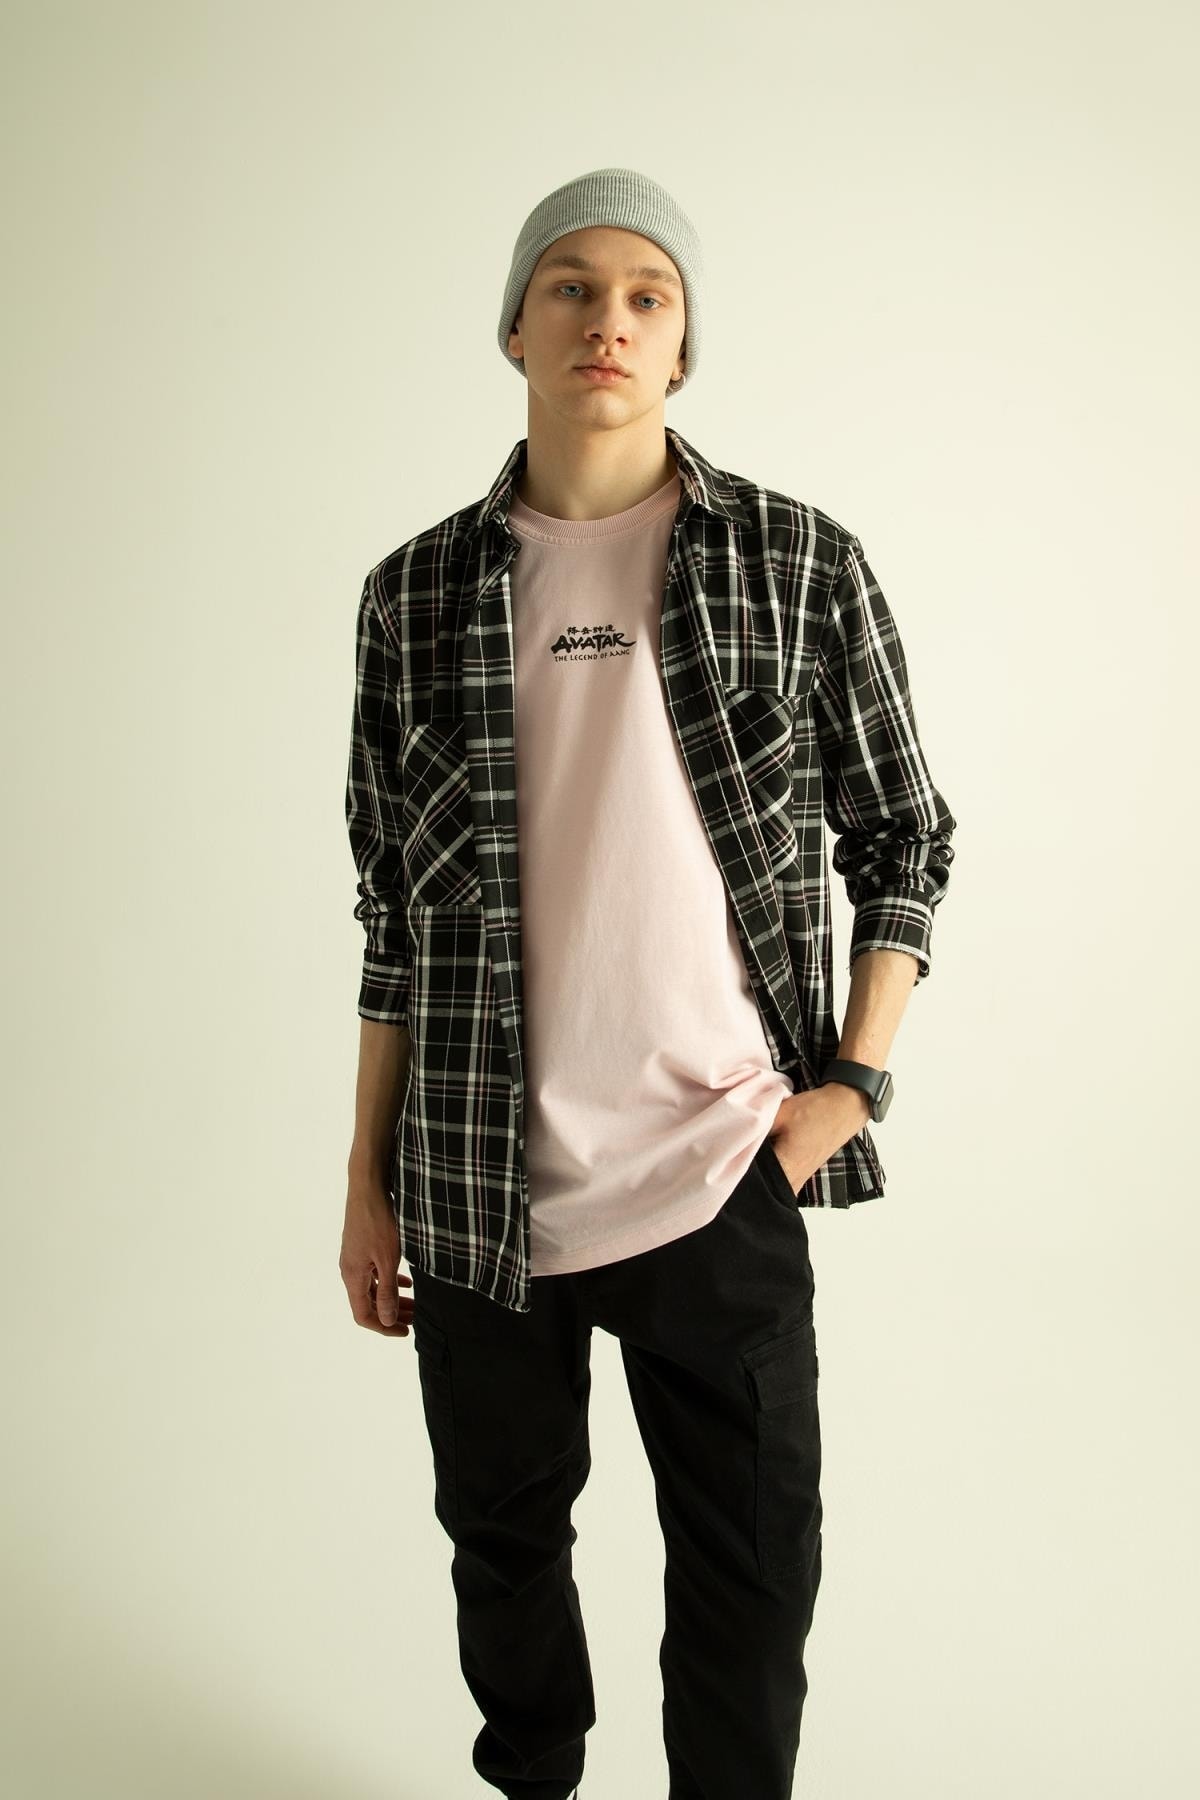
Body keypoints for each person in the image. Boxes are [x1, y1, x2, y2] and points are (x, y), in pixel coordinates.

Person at [340, 166, 957, 1800]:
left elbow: (905, 834)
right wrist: (365, 1180)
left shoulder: (797, 561)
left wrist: (852, 1082)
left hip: (723, 1160)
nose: (606, 320)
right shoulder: (413, 596)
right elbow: (392, 913)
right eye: (569, 287)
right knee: (502, 1550)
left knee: (753, 1569)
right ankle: (534, 1781)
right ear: (514, 329)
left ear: (682, 345)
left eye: (645, 295)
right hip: (475, 1179)